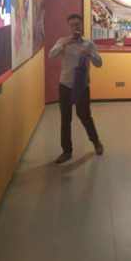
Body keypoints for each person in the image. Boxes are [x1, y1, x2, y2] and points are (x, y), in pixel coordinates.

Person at [48, 14, 104, 164]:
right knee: (65, 119)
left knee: (85, 116)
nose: (75, 27)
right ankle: (66, 151)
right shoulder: (62, 41)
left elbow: (99, 63)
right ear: (69, 27)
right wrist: (64, 44)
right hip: (65, 85)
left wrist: (90, 54)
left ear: (82, 25)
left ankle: (96, 142)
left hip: (82, 87)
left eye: (77, 24)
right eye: (72, 25)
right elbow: (51, 55)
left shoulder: (88, 44)